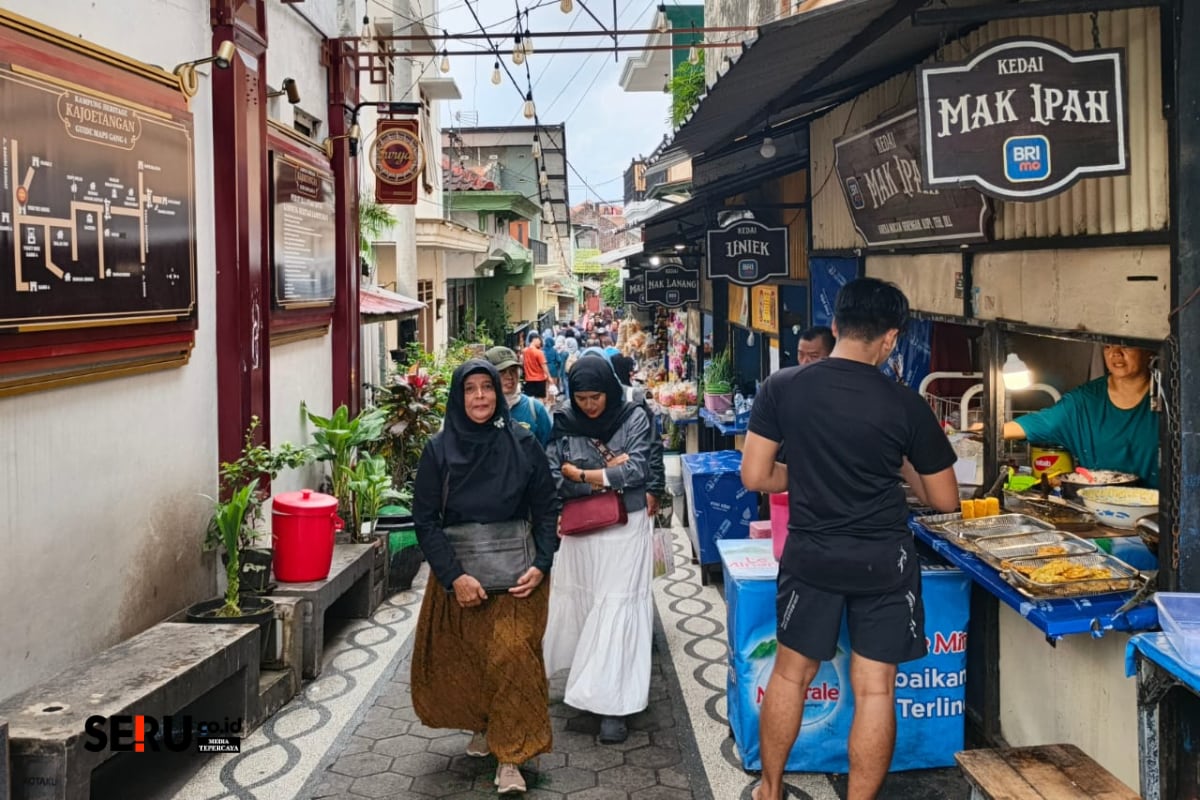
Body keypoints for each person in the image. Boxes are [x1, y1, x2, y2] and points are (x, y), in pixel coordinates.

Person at [740, 278, 959, 800]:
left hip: (810, 553)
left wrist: (808, 473)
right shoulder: (906, 404)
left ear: (836, 326)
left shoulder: (783, 387)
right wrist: (899, 464)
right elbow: (944, 499)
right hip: (882, 558)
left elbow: (755, 475)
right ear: (890, 338)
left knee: (791, 674)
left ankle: (770, 790)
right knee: (875, 686)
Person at [410, 360, 560, 795]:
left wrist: (543, 563)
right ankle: (486, 724)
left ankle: (512, 756)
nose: (479, 397)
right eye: (470, 389)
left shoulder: (523, 442)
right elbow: (425, 520)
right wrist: (453, 576)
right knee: (469, 658)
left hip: (518, 576)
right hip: (462, 574)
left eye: (486, 388)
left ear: (498, 392)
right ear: (459, 397)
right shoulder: (438, 450)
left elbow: (546, 508)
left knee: (512, 656)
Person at [543, 357, 655, 746]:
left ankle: (614, 705)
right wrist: (603, 480)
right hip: (581, 526)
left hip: (627, 526)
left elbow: (638, 470)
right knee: (587, 603)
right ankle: (587, 679)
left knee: (618, 605)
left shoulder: (635, 415)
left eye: (597, 397)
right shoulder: (563, 419)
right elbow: (555, 475)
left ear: (610, 388)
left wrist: (583, 474)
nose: (590, 406)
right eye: (583, 398)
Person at [993, 345, 1160, 488]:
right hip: (1099, 507)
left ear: (1148, 351)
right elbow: (1043, 422)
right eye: (1108, 346)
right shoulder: (1085, 400)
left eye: (1126, 346)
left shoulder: (1169, 397)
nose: (1115, 353)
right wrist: (991, 430)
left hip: (1160, 513)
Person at [486, 345, 553, 447]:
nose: (509, 377)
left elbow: (550, 449)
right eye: (502, 372)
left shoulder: (534, 408)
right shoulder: (481, 410)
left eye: (513, 371)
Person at [522, 333, 550, 402]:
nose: (540, 342)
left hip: (528, 379)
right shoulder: (539, 352)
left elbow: (522, 362)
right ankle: (539, 412)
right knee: (540, 399)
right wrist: (549, 377)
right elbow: (544, 366)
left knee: (529, 399)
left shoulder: (524, 351)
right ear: (534, 339)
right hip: (540, 379)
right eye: (539, 340)